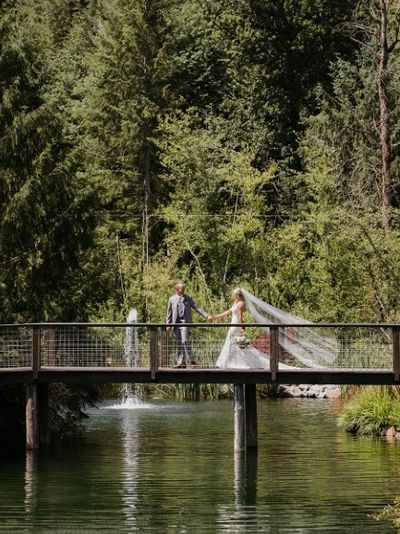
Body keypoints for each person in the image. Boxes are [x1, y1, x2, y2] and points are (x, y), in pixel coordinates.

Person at [209, 288, 293, 369]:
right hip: (233, 325)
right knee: (233, 343)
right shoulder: (236, 303)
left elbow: (240, 317)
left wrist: (241, 327)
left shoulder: (240, 304)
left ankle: (228, 362)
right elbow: (227, 312)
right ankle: (232, 362)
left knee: (233, 343)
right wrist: (214, 317)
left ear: (238, 295)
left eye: (235, 295)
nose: (233, 296)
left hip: (236, 325)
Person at [166, 282, 209, 368]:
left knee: (185, 341)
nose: (183, 290)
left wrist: (206, 316)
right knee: (179, 343)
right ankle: (181, 363)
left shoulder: (188, 298)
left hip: (185, 323)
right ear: (177, 289)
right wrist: (168, 324)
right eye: (182, 289)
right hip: (176, 324)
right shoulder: (172, 299)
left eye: (184, 289)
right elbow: (169, 313)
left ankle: (192, 360)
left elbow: (196, 307)